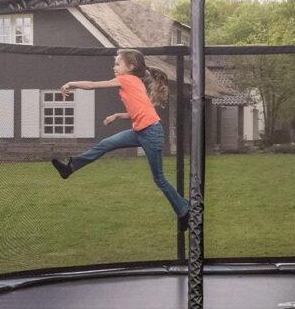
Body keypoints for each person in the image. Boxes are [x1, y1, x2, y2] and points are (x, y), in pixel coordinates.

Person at [51, 49, 191, 230]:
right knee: (106, 144)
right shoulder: (135, 82)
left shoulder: (127, 79)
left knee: (159, 179)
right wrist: (117, 115)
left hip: (151, 133)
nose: (114, 67)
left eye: (118, 64)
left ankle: (184, 211)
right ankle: (70, 168)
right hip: (140, 131)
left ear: (130, 67)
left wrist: (70, 83)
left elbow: (93, 85)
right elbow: (139, 111)